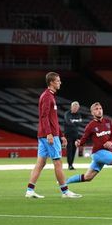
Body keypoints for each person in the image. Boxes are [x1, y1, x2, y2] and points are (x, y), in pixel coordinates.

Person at [25, 71, 82, 199]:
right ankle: (65, 192)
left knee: (40, 163)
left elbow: (52, 119)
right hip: (48, 136)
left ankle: (29, 190)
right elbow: (44, 117)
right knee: (58, 163)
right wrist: (50, 134)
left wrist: (61, 134)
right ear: (51, 82)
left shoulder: (50, 96)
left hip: (46, 135)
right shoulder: (47, 96)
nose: (60, 82)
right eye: (58, 80)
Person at [66, 102, 112, 195]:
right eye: (96, 109)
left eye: (100, 108)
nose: (99, 111)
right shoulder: (90, 126)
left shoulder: (108, 122)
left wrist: (110, 142)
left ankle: (64, 182)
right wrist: (78, 143)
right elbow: (83, 140)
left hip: (103, 153)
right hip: (98, 153)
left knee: (88, 177)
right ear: (92, 113)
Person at [63, 101, 82, 170]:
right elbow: (68, 122)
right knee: (69, 150)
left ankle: (71, 164)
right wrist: (75, 123)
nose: (75, 108)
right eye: (74, 107)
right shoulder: (67, 114)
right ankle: (69, 165)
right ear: (71, 107)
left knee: (74, 150)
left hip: (75, 135)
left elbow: (79, 123)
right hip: (68, 135)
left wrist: (73, 122)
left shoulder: (78, 115)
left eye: (77, 107)